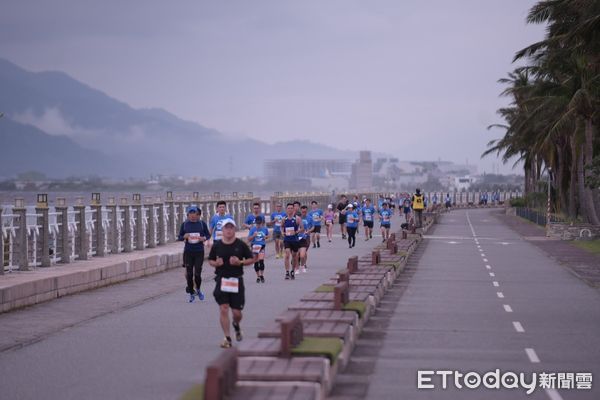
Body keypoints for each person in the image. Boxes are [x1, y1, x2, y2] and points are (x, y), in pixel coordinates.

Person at [208, 218, 254, 348]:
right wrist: (216, 263)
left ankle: (236, 324)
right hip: (221, 279)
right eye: (226, 228)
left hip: (236, 280)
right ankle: (227, 338)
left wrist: (240, 262)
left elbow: (251, 259)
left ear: (234, 229)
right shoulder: (217, 245)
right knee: (223, 308)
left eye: (231, 228)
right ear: (222, 230)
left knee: (237, 313)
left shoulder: (240, 245)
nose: (228, 230)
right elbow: (210, 260)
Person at [177, 206, 210, 302]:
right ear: (187, 215)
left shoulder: (202, 224)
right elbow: (179, 237)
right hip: (188, 252)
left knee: (197, 274)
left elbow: (208, 235)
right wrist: (184, 236)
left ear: (197, 214)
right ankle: (191, 293)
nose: (192, 215)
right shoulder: (184, 224)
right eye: (190, 214)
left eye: (194, 213)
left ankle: (198, 290)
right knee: (189, 274)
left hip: (199, 251)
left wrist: (203, 238)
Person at [282, 203, 304, 280]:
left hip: (294, 240)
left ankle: (292, 270)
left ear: (293, 209)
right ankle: (287, 272)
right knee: (287, 255)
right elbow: (281, 227)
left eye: (291, 208)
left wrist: (297, 232)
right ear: (286, 209)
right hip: (287, 240)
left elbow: (302, 228)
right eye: (288, 208)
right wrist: (282, 232)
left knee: (294, 256)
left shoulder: (297, 218)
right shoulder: (284, 219)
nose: (290, 209)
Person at [248, 215, 269, 283]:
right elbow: (248, 239)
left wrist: (265, 237)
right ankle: (258, 276)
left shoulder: (264, 229)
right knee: (256, 262)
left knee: (261, 261)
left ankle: (262, 275)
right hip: (254, 246)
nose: (258, 225)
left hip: (261, 246)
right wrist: (253, 235)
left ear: (262, 223)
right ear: (255, 223)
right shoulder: (252, 229)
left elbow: (268, 235)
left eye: (259, 223)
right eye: (257, 223)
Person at [298, 205, 313, 273]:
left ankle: (304, 263)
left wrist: (309, 231)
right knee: (299, 251)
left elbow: (313, 227)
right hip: (298, 237)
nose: (304, 212)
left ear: (306, 211)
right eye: (302, 211)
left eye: (305, 211)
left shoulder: (310, 218)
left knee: (304, 251)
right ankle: (299, 262)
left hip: (306, 237)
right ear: (301, 211)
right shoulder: (298, 218)